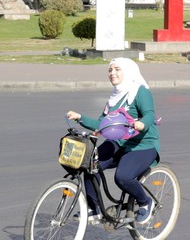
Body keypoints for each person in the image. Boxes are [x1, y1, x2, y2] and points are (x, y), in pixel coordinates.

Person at [65, 58, 159, 225]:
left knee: (122, 177)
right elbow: (102, 124)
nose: (112, 73)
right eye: (110, 70)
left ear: (128, 71)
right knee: (90, 164)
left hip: (142, 144)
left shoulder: (140, 91)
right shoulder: (115, 97)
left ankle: (145, 202)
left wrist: (142, 123)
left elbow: (150, 114)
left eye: (117, 69)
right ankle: (93, 209)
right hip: (119, 142)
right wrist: (80, 118)